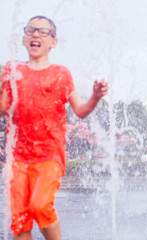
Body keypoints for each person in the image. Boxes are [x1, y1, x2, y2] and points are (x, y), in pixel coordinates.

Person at [0, 16, 109, 240]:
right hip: (18, 157)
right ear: (23, 38)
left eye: (43, 31)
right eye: (31, 30)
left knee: (40, 206)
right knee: (20, 222)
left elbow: (79, 109)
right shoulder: (13, 70)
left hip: (49, 155)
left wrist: (96, 97)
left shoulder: (61, 73)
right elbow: (3, 108)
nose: (36, 34)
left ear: (53, 42)